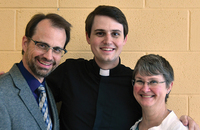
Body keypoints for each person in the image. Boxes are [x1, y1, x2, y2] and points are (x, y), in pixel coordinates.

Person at [46, 5, 199, 130]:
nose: (108, 40)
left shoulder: (136, 84)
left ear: (124, 39)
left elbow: (157, 116)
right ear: (88, 37)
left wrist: (183, 123)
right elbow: (34, 97)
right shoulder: (70, 71)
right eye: (100, 33)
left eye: (115, 34)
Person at [0, 13, 71, 130]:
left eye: (57, 49)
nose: (49, 56)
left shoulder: (45, 90)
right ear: (25, 44)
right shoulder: (2, 92)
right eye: (42, 45)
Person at [130, 54, 188, 130]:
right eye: (140, 81)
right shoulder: (134, 127)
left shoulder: (177, 128)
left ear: (169, 86)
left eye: (153, 82)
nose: (145, 89)